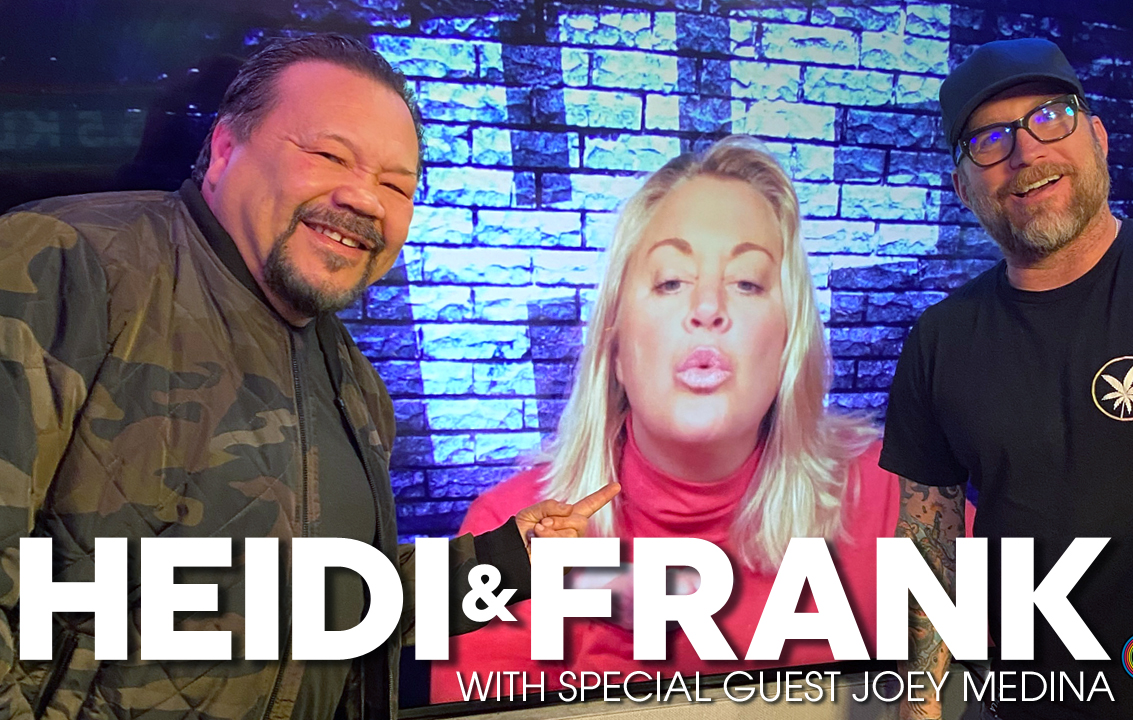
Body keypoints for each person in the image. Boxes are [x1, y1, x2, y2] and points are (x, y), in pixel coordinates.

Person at [0, 33, 614, 720]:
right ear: (225, 149)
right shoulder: (64, 261)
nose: (366, 199)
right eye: (329, 156)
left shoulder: (354, 381)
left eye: (396, 186)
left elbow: (339, 606)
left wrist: (507, 557)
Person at [880, 38, 1133, 720]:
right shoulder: (941, 339)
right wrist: (918, 708)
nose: (1025, 152)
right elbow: (929, 541)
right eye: (989, 140)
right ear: (963, 188)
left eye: (1049, 118)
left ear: (1096, 137)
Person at [428, 135, 901, 703]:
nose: (708, 308)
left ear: (788, 343)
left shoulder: (897, 500)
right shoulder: (506, 536)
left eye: (747, 282)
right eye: (671, 281)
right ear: (616, 348)